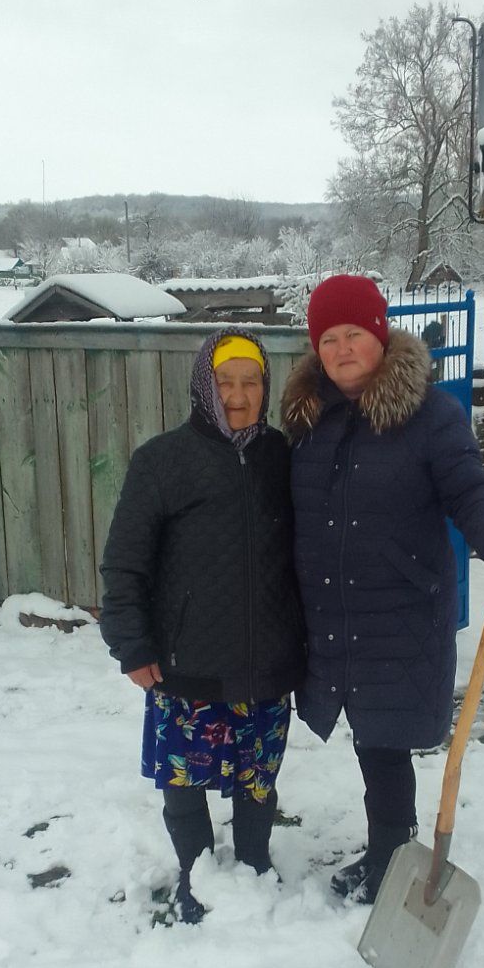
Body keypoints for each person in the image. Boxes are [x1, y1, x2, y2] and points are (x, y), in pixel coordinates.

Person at [281, 274, 484, 904]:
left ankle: (392, 856)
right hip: (334, 610)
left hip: (400, 608)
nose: (342, 349)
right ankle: (387, 851)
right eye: (329, 339)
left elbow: (468, 488)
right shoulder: (307, 417)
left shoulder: (429, 415)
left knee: (384, 739)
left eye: (354, 334)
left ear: (380, 335)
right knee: (370, 738)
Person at [99, 329, 305, 924]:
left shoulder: (282, 457)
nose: (238, 396)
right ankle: (195, 873)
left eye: (251, 382)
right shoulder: (162, 461)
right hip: (185, 662)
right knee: (184, 780)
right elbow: (125, 562)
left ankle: (254, 864)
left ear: (265, 386)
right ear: (203, 387)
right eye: (225, 382)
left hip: (267, 660)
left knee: (258, 780)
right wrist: (131, 644)